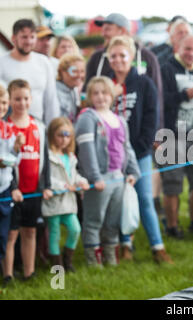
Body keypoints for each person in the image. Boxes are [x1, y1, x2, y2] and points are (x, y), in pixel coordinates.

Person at [107, 36, 173, 264]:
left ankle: (158, 246)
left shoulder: (145, 83)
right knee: (122, 198)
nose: (118, 60)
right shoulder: (106, 85)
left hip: (140, 152)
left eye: (122, 55)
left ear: (131, 57)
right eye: (113, 56)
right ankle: (125, 243)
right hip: (113, 155)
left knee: (144, 198)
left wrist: (142, 147)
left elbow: (150, 117)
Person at [75, 76, 140, 267]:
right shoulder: (88, 118)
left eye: (104, 92)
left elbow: (127, 148)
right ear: (89, 96)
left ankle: (111, 255)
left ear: (112, 95)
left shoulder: (120, 120)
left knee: (112, 220)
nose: (100, 97)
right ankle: (93, 260)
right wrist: (95, 177)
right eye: (95, 93)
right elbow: (86, 151)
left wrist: (133, 172)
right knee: (94, 220)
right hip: (101, 179)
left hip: (118, 178)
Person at [160, 35, 193, 238]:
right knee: (172, 184)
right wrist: (186, 95)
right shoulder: (167, 68)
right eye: (187, 49)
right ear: (178, 48)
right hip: (171, 136)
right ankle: (172, 227)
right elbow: (161, 100)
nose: (191, 54)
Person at [2, 79, 52, 283]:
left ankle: (29, 272)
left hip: (33, 191)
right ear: (10, 100)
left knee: (30, 231)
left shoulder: (39, 126)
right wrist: (13, 187)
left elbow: (45, 158)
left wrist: (46, 185)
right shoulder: (5, 127)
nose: (21, 103)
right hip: (13, 191)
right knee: (11, 234)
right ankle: (7, 274)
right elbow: (4, 160)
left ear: (31, 99)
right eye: (17, 99)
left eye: (25, 98)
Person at [0, 83, 24, 293]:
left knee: (1, 238)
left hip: (4, 190)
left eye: (3, 103)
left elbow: (13, 161)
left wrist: (16, 150)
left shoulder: (9, 129)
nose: (0, 107)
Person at [42, 117, 89, 272]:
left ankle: (68, 259)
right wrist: (62, 186)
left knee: (75, 229)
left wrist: (81, 182)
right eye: (60, 135)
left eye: (67, 135)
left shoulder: (70, 157)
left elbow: (74, 175)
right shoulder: (48, 156)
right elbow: (46, 178)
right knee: (54, 233)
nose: (64, 139)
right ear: (52, 135)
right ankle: (57, 265)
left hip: (69, 203)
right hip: (54, 203)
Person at [0, 19, 59, 126]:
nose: (29, 41)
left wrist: (53, 127)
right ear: (13, 38)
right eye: (24, 37)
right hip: (8, 127)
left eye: (32, 37)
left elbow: (51, 99)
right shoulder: (0, 63)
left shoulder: (44, 62)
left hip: (38, 127)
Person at [56, 53, 86, 122]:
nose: (79, 75)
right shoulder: (54, 92)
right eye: (74, 71)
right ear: (62, 72)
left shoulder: (73, 89)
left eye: (82, 71)